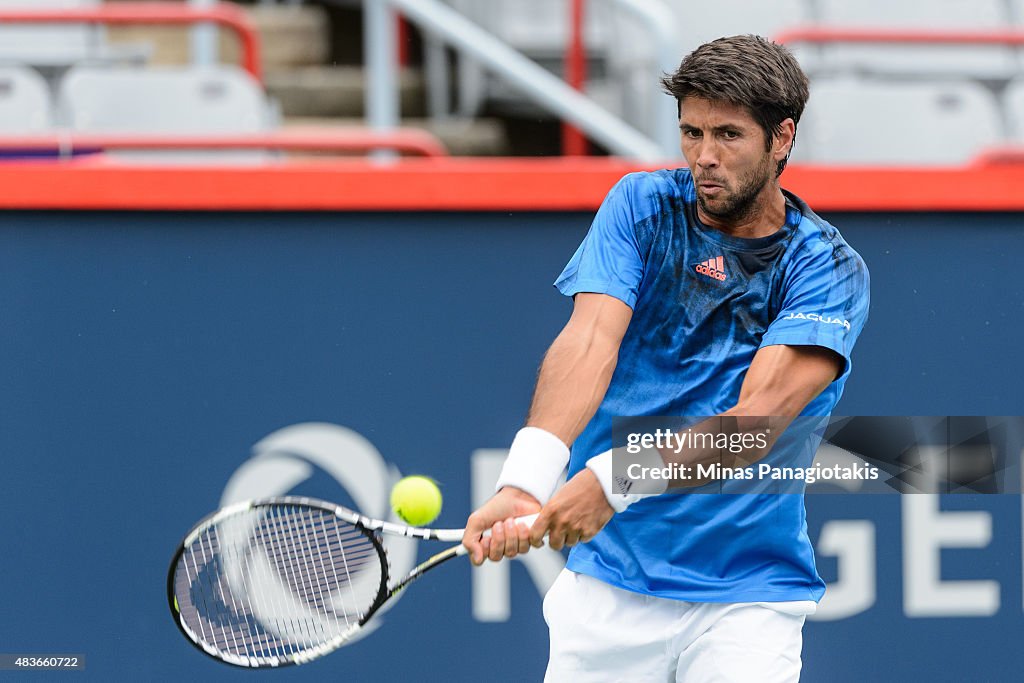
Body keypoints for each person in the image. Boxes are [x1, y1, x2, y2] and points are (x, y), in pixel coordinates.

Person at [462, 34, 870, 682]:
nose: (704, 157)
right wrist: (525, 478)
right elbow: (590, 340)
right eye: (691, 133)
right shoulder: (642, 206)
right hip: (607, 591)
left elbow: (757, 422)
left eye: (729, 135)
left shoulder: (825, 268)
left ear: (782, 138)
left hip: (747, 599)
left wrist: (613, 477)